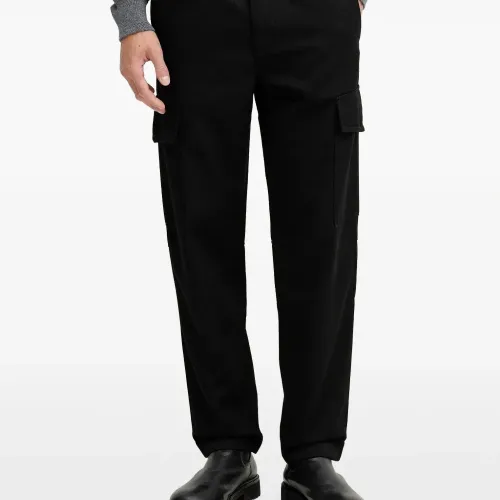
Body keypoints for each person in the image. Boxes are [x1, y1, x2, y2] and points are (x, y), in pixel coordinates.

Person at [111, 0, 366, 498]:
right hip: (196, 18)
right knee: (201, 234)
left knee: (321, 238)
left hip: (316, 17)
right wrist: (131, 17)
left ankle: (313, 454)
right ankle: (227, 448)